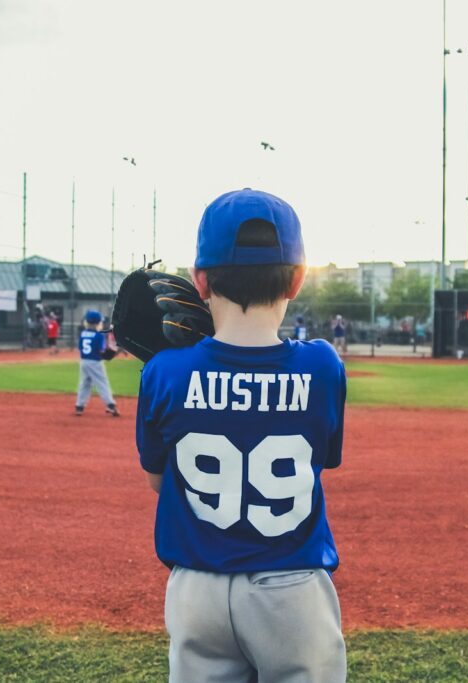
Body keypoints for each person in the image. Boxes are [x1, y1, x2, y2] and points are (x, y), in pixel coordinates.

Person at [136, 188, 347, 682]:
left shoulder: (164, 372)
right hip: (291, 587)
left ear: (199, 280)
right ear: (297, 278)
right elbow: (324, 460)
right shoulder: (322, 364)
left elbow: (157, 481)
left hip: (197, 590)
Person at [75, 310, 119, 417]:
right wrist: (113, 352)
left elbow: (80, 348)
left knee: (84, 383)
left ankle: (79, 406)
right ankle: (110, 404)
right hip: (95, 362)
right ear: (97, 323)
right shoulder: (99, 335)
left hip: (84, 361)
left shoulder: (83, 333)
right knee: (102, 382)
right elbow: (102, 351)